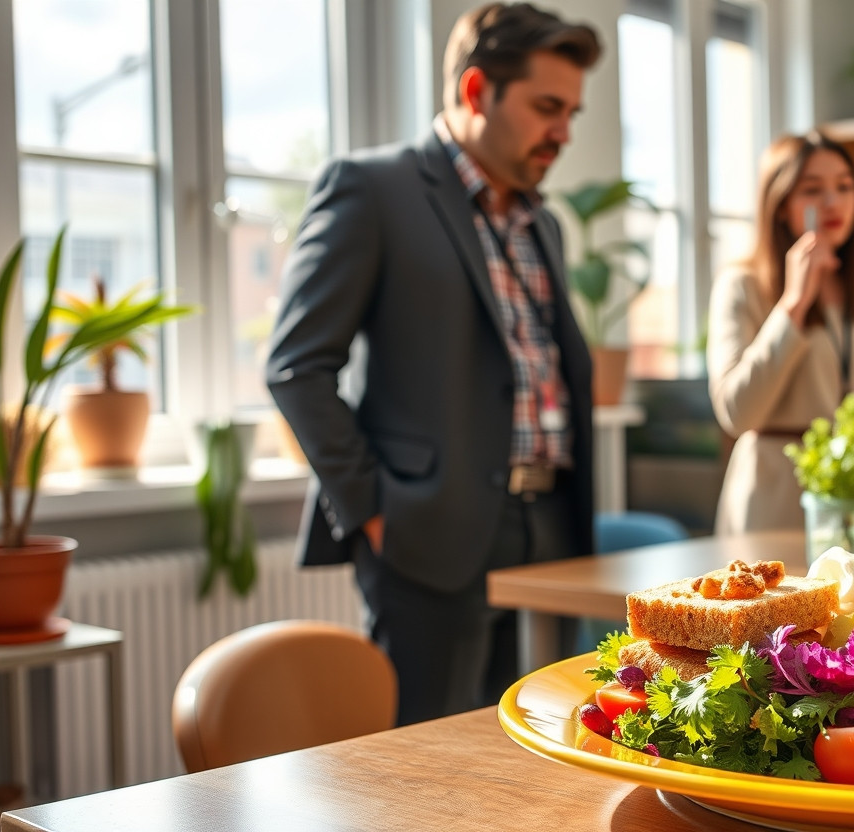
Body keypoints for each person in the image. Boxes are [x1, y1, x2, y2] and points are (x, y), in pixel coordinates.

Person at [267, 3, 601, 725]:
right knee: (428, 761)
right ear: (477, 91)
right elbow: (297, 366)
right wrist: (373, 510)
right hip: (428, 530)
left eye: (571, 112)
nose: (564, 133)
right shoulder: (370, 189)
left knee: (545, 751)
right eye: (548, 108)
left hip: (551, 526)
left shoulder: (542, 222)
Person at [708, 132, 854, 535]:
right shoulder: (743, 286)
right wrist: (793, 304)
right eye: (812, 190)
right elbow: (737, 412)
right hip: (777, 501)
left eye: (845, 187)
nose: (833, 202)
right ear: (780, 206)